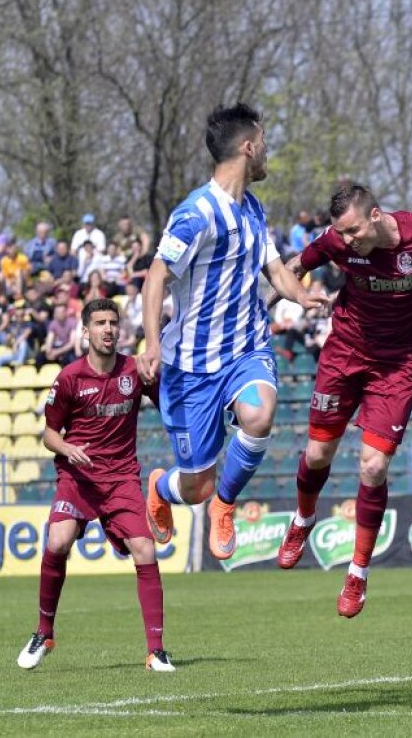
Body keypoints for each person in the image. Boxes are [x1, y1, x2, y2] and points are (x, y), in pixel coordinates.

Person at [272, 181, 412, 618]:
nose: (345, 241)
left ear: (375, 216)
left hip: (399, 364)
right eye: (340, 234)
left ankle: (358, 572)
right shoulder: (336, 241)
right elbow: (293, 266)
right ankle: (303, 520)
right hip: (346, 353)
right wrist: (287, 292)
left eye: (351, 232)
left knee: (373, 465)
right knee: (317, 454)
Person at [139, 103, 323, 563]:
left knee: (259, 416)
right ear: (247, 147)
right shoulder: (195, 214)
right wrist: (153, 344)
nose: (266, 153)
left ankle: (226, 503)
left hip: (246, 348)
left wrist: (302, 298)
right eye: (262, 143)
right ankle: (162, 488)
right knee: (194, 485)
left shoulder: (254, 209)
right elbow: (155, 277)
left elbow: (276, 270)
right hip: (192, 365)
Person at [15, 298, 174, 672]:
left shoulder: (135, 371)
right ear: (85, 331)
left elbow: (168, 403)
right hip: (79, 477)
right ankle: (44, 632)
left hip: (121, 478)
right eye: (100, 323)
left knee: (145, 551)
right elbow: (49, 434)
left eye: (113, 323)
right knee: (57, 541)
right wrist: (68, 448)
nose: (108, 329)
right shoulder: (69, 377)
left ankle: (156, 651)